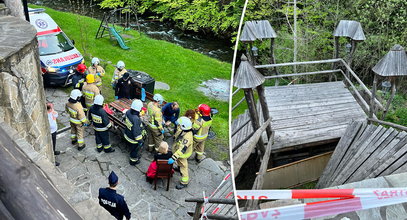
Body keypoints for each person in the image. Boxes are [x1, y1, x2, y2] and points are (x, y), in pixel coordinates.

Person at [171, 116, 193, 189]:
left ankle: (184, 182)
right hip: (178, 152)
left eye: (179, 125)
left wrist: (173, 157)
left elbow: (182, 149)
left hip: (182, 154)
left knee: (184, 166)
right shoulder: (184, 130)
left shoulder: (187, 137)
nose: (178, 126)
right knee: (180, 163)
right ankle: (178, 167)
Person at [124, 99, 144, 165]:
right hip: (133, 139)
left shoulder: (128, 112)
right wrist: (140, 141)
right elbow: (136, 132)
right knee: (134, 150)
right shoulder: (136, 119)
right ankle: (133, 161)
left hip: (127, 134)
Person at [47, 102, 60, 166]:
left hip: (54, 131)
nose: (53, 108)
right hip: (51, 132)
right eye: (52, 107)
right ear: (49, 109)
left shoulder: (51, 112)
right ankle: (53, 160)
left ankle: (54, 151)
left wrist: (54, 113)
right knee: (51, 145)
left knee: (54, 143)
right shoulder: (47, 116)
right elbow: (51, 125)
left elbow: (56, 115)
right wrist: (54, 119)